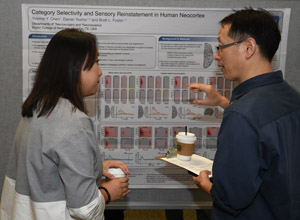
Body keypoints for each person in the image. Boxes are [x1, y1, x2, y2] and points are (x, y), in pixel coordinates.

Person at [0, 28, 130, 220]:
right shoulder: (74, 123)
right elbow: (84, 210)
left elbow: (44, 169)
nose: (100, 71)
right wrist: (108, 192)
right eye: (95, 62)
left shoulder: (37, 108)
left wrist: (94, 167)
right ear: (74, 68)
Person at [189, 8, 300, 219]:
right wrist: (223, 102)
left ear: (248, 48)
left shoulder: (241, 115)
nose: (216, 55)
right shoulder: (292, 97)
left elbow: (231, 196)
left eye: (221, 46)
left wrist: (207, 185)